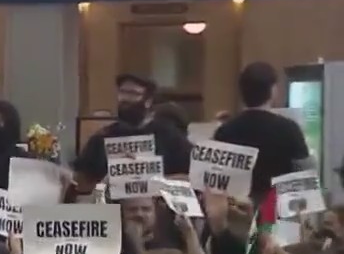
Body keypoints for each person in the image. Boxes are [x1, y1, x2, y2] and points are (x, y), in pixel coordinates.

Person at [71, 73, 192, 193]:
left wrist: (158, 182)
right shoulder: (103, 137)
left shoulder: (169, 136)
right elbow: (80, 181)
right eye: (122, 92)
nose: (125, 99)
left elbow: (191, 177)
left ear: (148, 101)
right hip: (110, 207)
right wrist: (105, 183)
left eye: (133, 94)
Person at [213, 61, 312, 201]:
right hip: (277, 212)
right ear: (272, 90)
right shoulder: (289, 129)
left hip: (238, 213)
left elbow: (215, 179)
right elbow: (305, 175)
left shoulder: (224, 131)